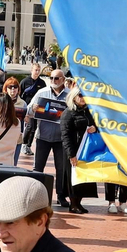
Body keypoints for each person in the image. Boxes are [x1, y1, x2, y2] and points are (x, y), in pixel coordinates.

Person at [62, 89, 125, 215]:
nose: (82, 98)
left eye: (84, 95)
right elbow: (65, 135)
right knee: (73, 178)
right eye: (80, 95)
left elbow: (97, 124)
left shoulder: (88, 111)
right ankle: (73, 204)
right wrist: (71, 154)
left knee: (84, 178)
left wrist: (94, 128)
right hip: (74, 150)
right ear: (74, 97)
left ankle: (79, 203)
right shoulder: (68, 113)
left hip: (87, 151)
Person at [28, 67, 73, 208]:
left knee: (61, 169)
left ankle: (61, 196)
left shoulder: (69, 95)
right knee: (38, 167)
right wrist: (33, 108)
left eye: (57, 78)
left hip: (61, 139)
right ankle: (36, 195)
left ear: (63, 80)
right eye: (51, 78)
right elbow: (28, 111)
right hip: (43, 136)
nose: (53, 81)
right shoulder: (42, 93)